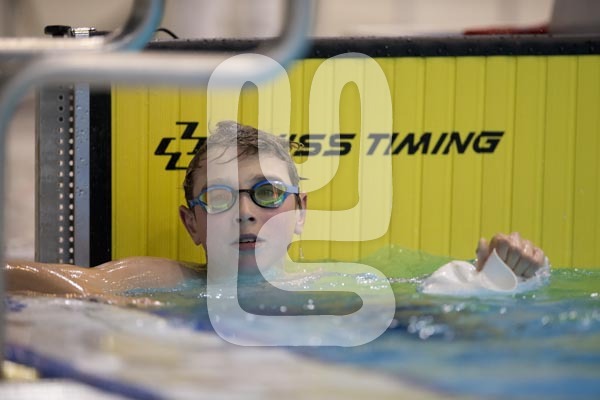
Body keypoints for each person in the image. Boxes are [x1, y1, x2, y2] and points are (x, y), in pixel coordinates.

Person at [5, 121, 549, 300]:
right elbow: (70, 284)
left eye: (265, 194)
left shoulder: (350, 286)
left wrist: (493, 283)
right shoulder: (163, 278)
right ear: (192, 223)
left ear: (301, 211)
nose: (244, 213)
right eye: (220, 198)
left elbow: (442, 310)